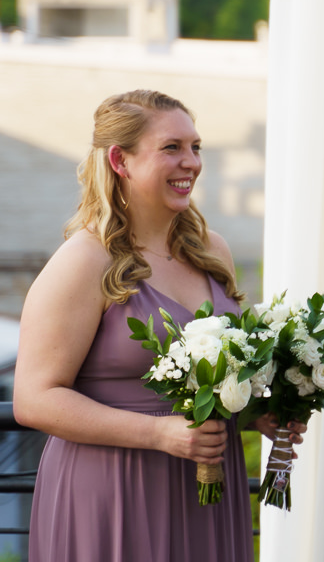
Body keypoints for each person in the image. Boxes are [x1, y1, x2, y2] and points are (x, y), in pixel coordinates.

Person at [14, 89, 304, 562]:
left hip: (205, 488)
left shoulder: (211, 251)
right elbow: (34, 399)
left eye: (196, 147)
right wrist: (158, 434)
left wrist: (258, 410)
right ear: (119, 160)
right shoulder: (84, 261)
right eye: (171, 148)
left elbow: (218, 378)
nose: (191, 162)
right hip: (112, 489)